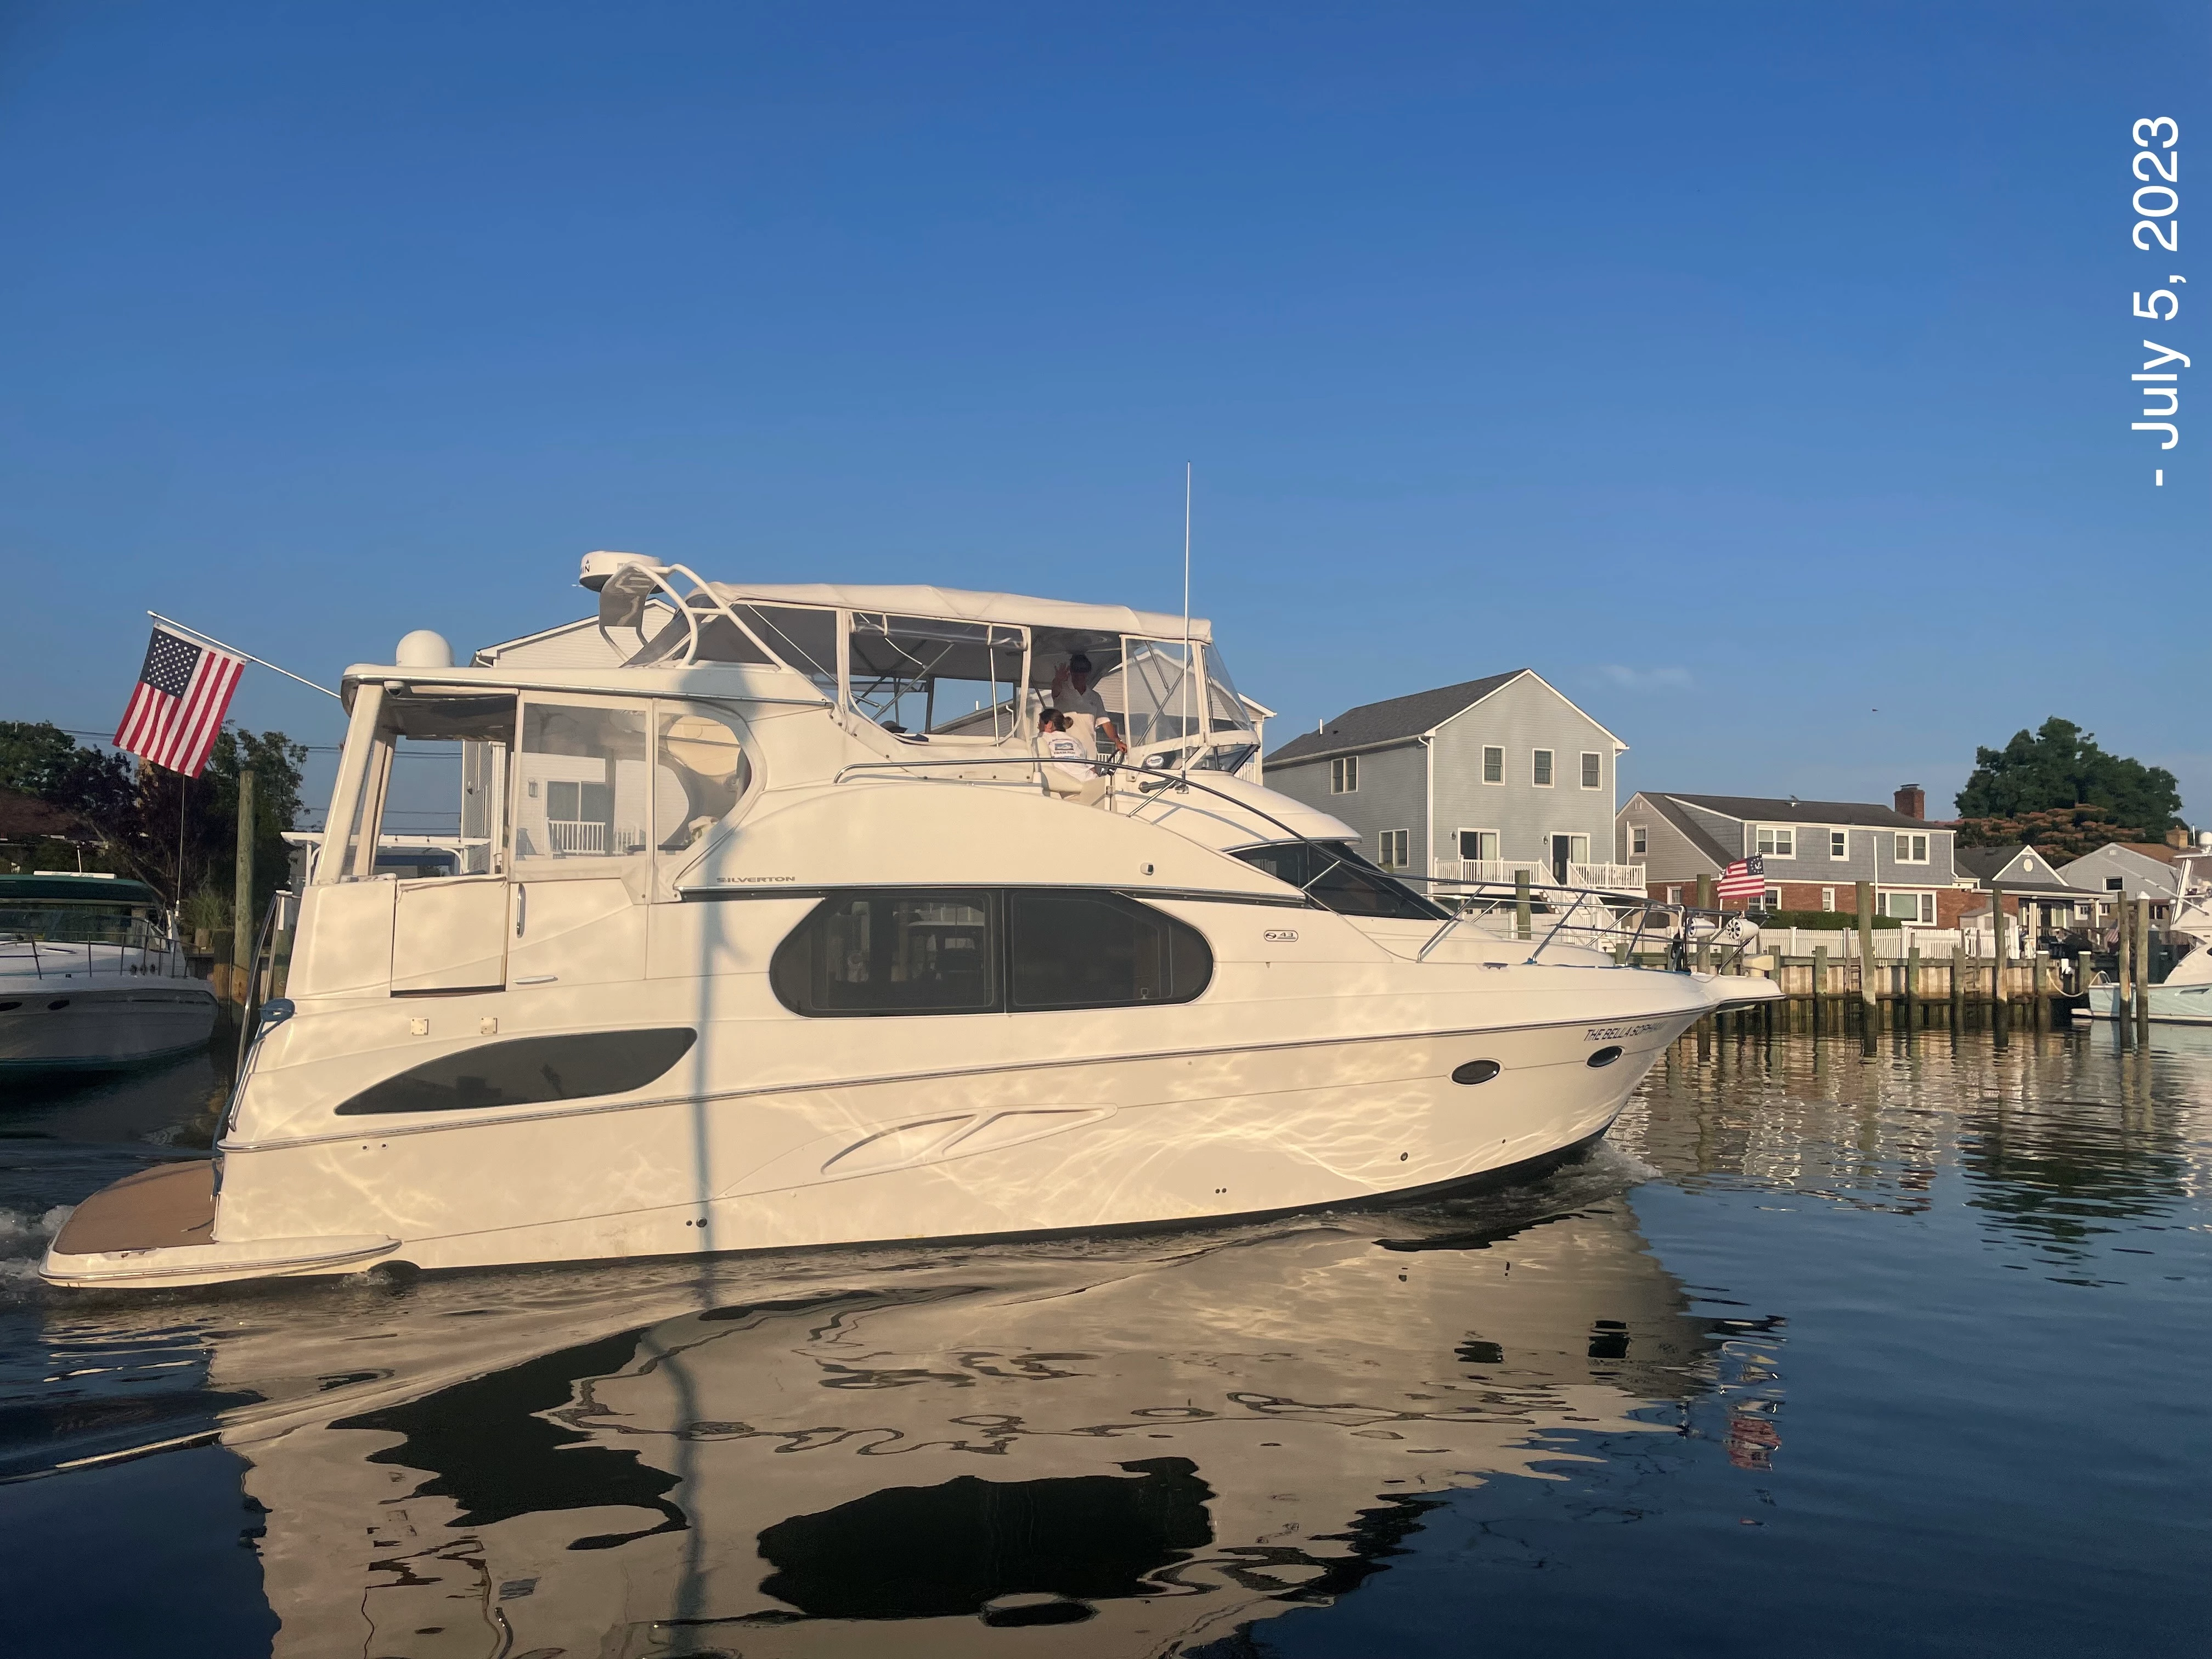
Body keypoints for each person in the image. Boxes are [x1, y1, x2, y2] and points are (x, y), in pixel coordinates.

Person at [1049, 653, 1127, 767]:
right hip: (1064, 752)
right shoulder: (1062, 690)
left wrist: (1117, 741)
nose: (1080, 673)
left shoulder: (1095, 697)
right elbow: (1055, 688)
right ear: (1071, 671)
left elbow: (1106, 723)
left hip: (1088, 753)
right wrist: (1058, 679)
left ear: (1088, 672)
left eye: (1084, 670)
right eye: (1077, 669)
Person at [1037, 710, 1107, 807]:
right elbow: (1092, 769)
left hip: (1068, 790)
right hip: (1092, 785)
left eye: (1039, 724)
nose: (1038, 727)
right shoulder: (1076, 740)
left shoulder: (1042, 738)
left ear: (1049, 724)